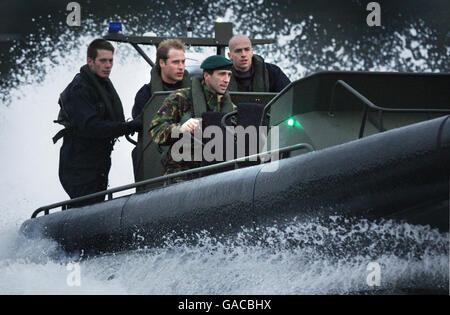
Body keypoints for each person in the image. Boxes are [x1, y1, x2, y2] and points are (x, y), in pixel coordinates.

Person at [55, 39, 141, 207]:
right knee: (84, 207)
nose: (108, 65)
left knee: (96, 203)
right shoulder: (79, 89)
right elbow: (92, 127)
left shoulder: (101, 84)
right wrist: (129, 127)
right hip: (79, 164)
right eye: (103, 60)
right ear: (90, 61)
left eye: (111, 60)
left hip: (98, 161)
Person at [149, 55, 235, 179]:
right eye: (221, 74)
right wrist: (181, 129)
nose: (226, 80)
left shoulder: (231, 109)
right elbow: (155, 130)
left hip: (218, 173)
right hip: (182, 173)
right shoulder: (180, 99)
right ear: (206, 76)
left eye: (229, 75)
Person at [131, 39, 191, 176]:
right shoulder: (146, 95)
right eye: (176, 62)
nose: (181, 67)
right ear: (162, 63)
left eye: (183, 62)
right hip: (156, 160)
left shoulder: (194, 93)